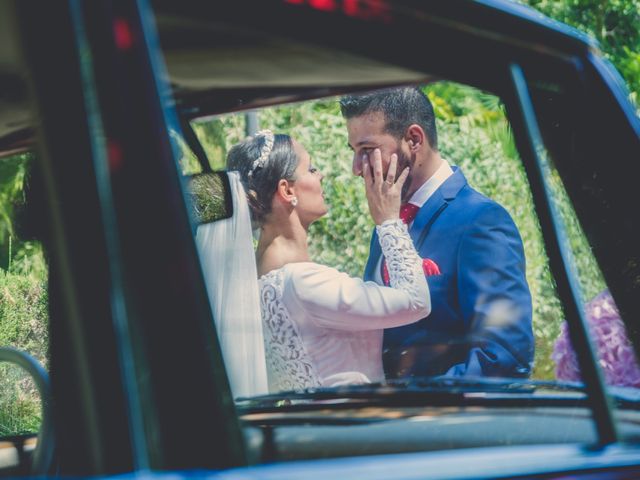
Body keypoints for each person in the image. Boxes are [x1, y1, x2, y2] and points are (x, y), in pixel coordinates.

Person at [203, 130, 431, 394]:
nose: (320, 175)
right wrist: (389, 221)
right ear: (287, 191)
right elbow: (417, 301)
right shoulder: (304, 283)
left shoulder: (250, 284)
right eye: (311, 169)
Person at [340, 87, 534, 379]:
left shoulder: (481, 221)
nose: (357, 168)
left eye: (367, 150)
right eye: (354, 152)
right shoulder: (387, 223)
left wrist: (411, 408)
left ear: (414, 139)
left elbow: (504, 356)